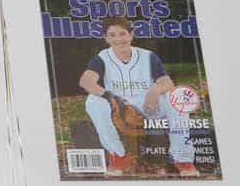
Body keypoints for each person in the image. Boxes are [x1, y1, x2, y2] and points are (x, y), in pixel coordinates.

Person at [79, 16, 197, 177]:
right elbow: (86, 81)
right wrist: (109, 96)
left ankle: (182, 159)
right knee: (93, 101)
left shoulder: (148, 56)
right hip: (119, 109)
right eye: (112, 35)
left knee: (179, 98)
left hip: (149, 106)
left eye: (122, 34)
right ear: (106, 38)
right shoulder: (102, 58)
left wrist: (155, 90)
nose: (118, 39)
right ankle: (119, 156)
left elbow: (167, 82)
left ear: (131, 35)